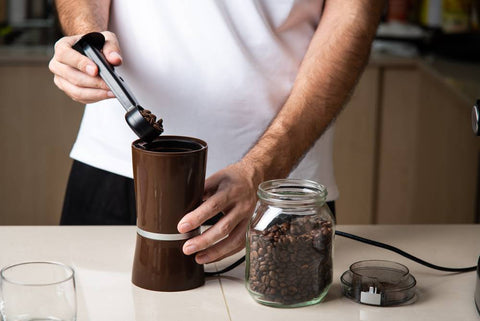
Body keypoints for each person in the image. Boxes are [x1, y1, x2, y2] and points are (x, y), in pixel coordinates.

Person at [49, 0, 384, 265]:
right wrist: (87, 37)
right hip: (115, 164)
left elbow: (353, 13)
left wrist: (265, 168)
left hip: (276, 188)